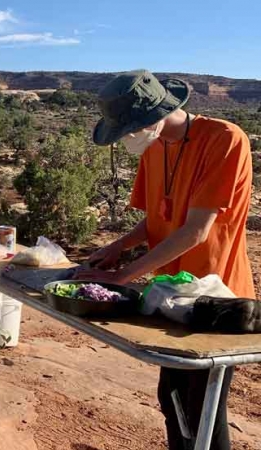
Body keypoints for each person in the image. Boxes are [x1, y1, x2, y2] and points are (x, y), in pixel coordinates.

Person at [79, 69, 255, 450]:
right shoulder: (155, 146)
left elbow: (195, 230)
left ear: (156, 115)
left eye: (129, 128)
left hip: (217, 297)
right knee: (171, 398)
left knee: (205, 409)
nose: (128, 137)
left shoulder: (224, 139)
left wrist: (124, 277)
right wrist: (119, 247)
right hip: (169, 295)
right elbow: (158, 217)